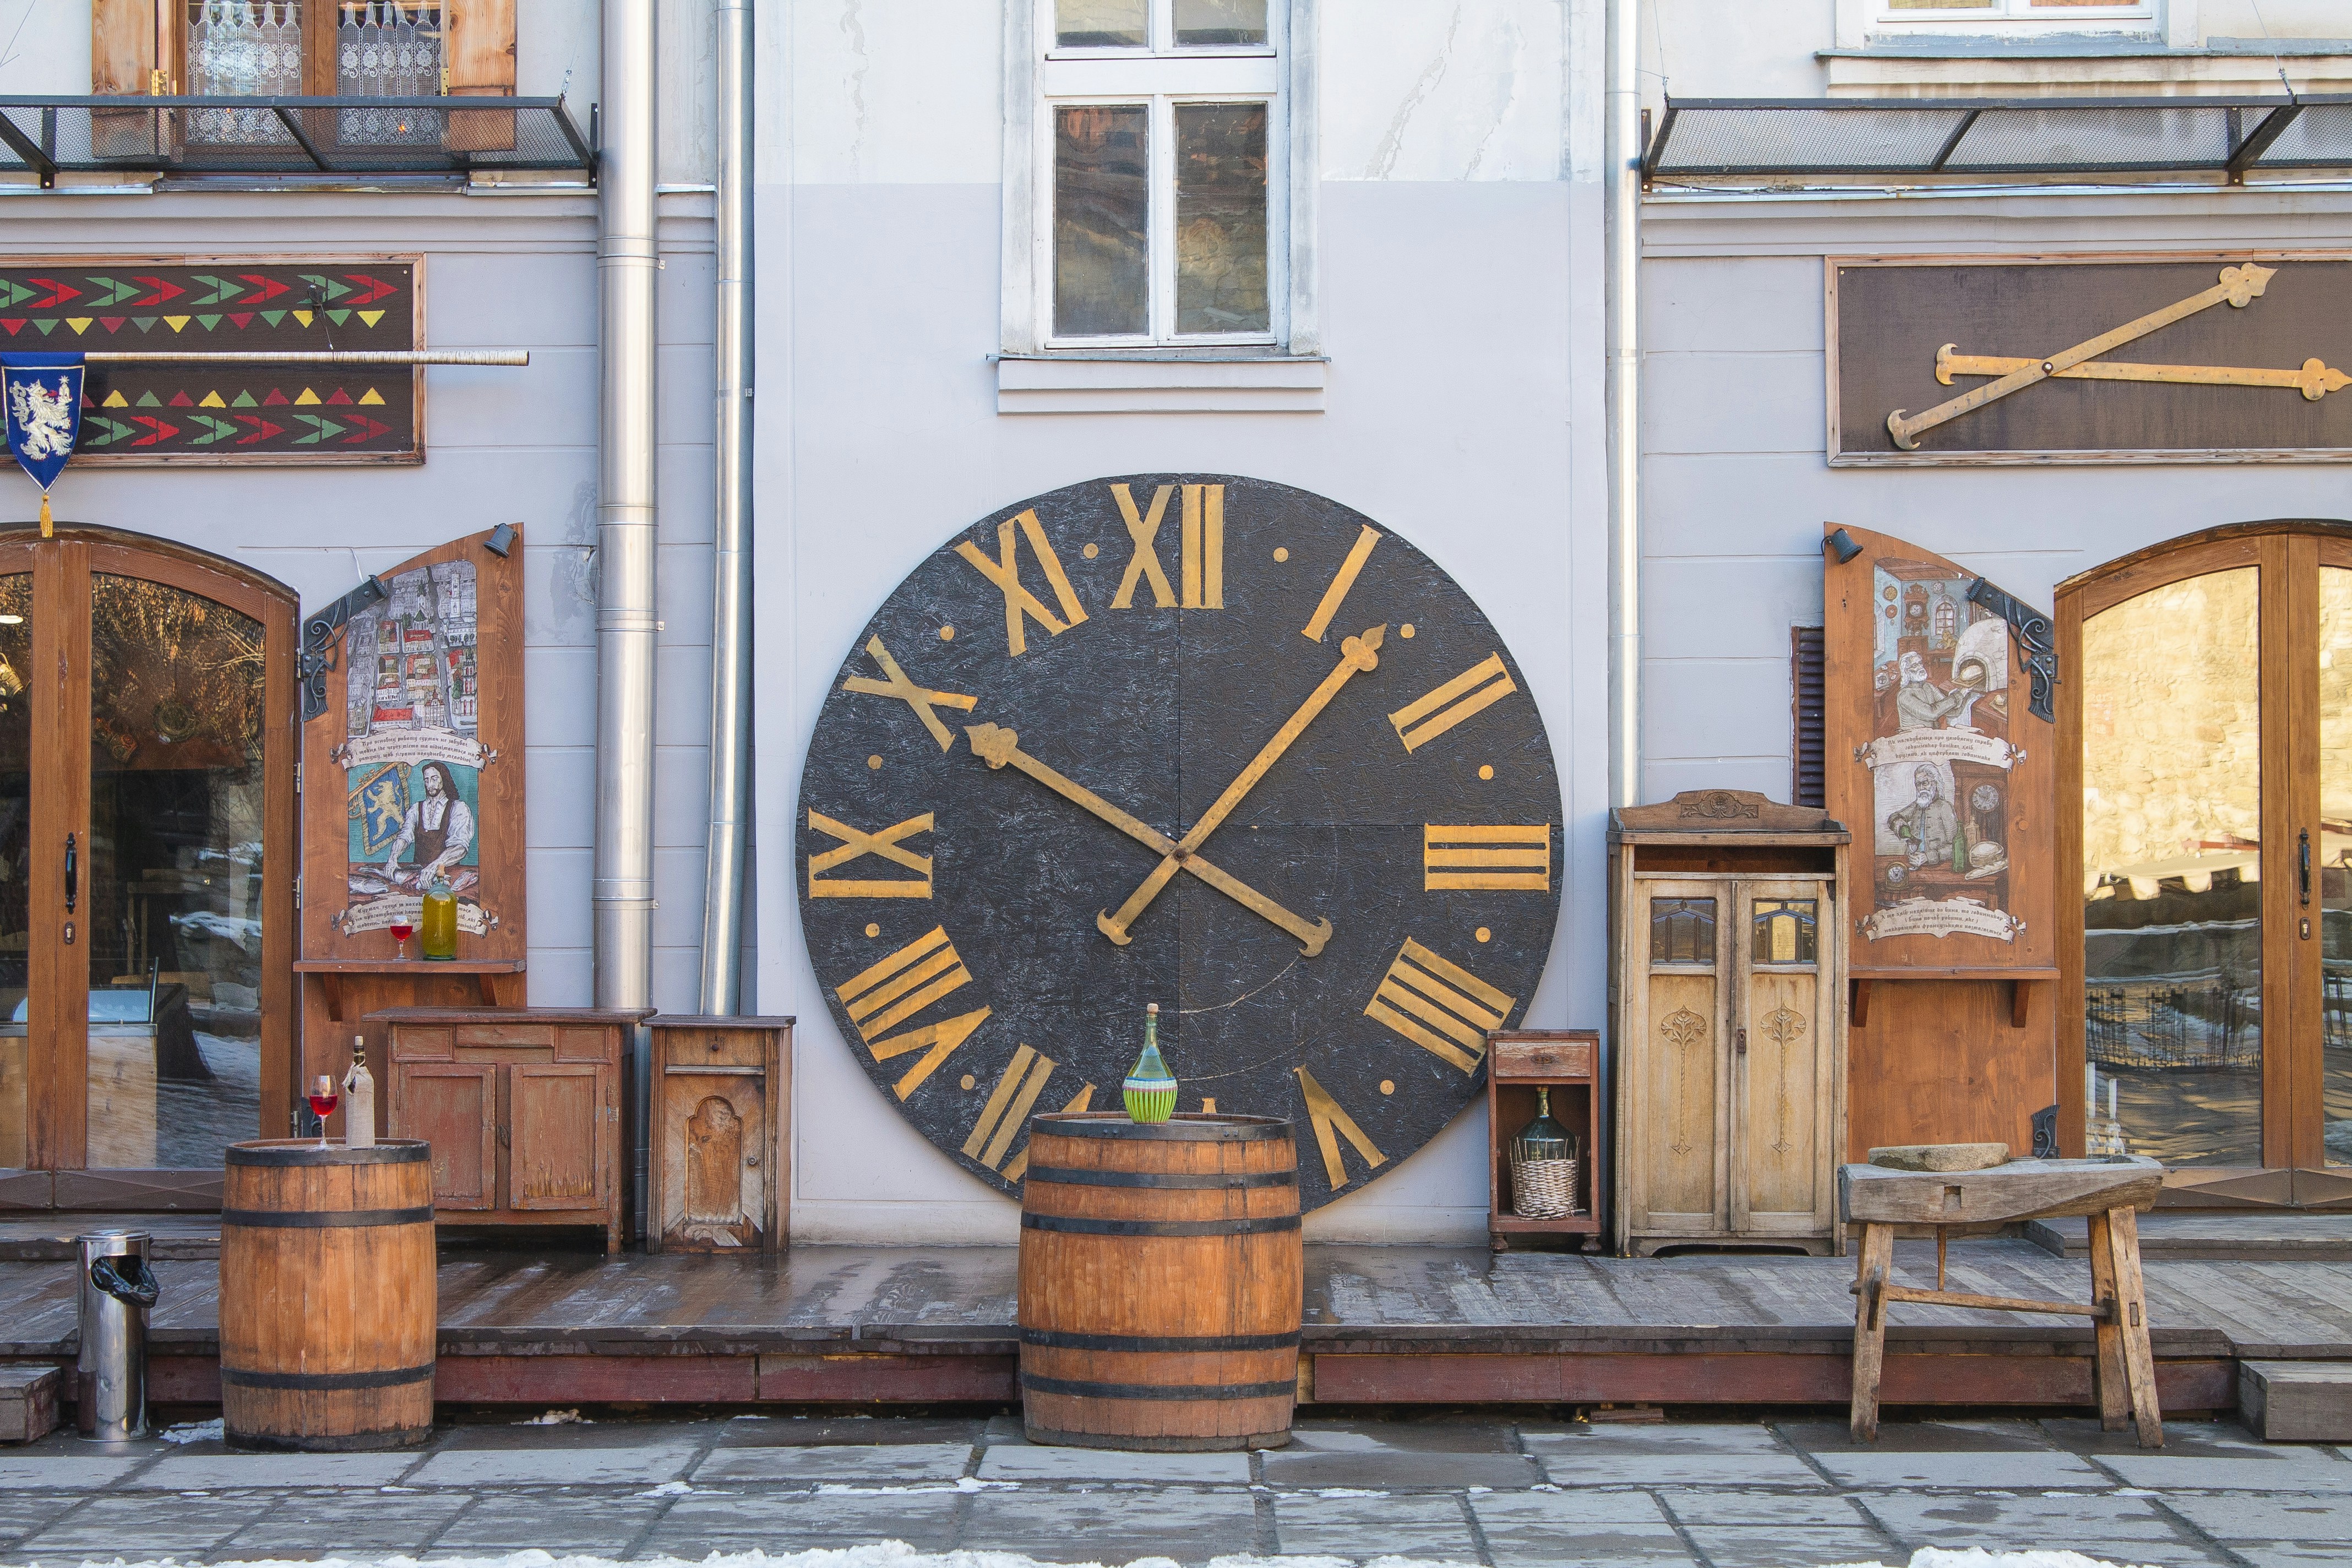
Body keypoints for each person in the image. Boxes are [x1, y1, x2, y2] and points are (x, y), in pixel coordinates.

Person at [382, 760, 473, 890]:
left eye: (434, 779)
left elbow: (460, 847)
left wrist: (436, 865)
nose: (430, 784)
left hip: (447, 877)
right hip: (417, 876)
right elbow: (404, 837)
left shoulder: (459, 808)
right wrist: (393, 858)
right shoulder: (416, 809)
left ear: (444, 779)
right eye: (426, 780)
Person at [1887, 765, 1958, 869]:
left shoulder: (1945, 807)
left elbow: (1955, 846)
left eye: (1925, 783)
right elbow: (1894, 816)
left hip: (1937, 867)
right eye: (1918, 785)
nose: (1921, 789)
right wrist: (1897, 820)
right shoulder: (1917, 805)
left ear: (1935, 784)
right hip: (1912, 863)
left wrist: (1928, 857)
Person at [1894, 649, 1980, 731]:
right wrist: (1959, 695)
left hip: (1933, 735)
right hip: (1914, 740)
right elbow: (1932, 714)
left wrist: (1966, 694)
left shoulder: (1928, 686)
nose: (1920, 667)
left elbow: (1952, 712)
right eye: (1914, 665)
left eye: (1920, 663)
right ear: (1906, 671)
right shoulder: (1905, 695)